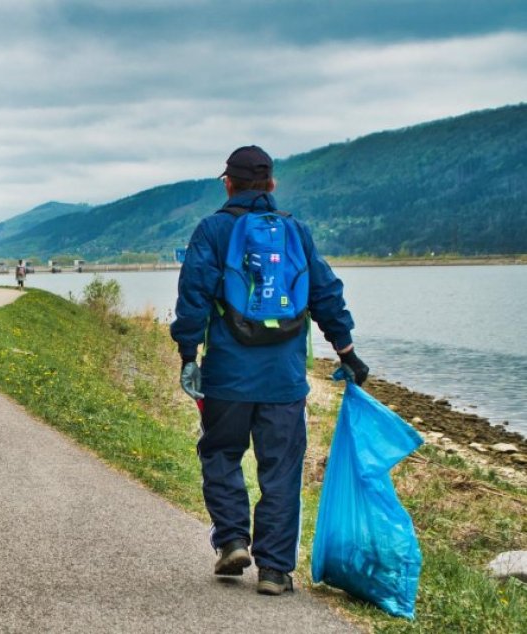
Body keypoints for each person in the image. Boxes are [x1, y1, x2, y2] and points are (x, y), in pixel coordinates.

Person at [170, 145, 369, 596]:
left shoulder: (214, 230)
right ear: (272, 185)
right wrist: (347, 351)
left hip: (227, 377)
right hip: (284, 380)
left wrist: (187, 356)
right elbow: (325, 293)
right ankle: (276, 571)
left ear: (229, 183)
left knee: (220, 454)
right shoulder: (295, 231)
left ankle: (234, 540)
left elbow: (193, 298)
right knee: (281, 469)